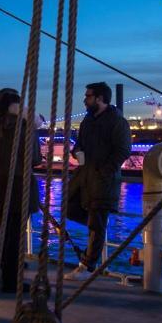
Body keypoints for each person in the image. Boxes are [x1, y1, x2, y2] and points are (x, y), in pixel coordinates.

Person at [64, 82, 132, 281]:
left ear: (100, 99)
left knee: (97, 223)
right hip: (85, 177)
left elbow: (123, 150)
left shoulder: (117, 122)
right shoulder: (87, 121)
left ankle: (87, 266)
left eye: (88, 96)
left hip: (103, 181)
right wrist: (77, 152)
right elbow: (79, 145)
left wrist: (104, 171)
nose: (85, 100)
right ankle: (90, 249)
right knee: (69, 207)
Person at [0, 88, 42, 293]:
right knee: (15, 237)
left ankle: (7, 276)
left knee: (6, 234)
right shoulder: (24, 128)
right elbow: (35, 159)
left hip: (0, 189)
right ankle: (11, 281)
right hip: (20, 188)